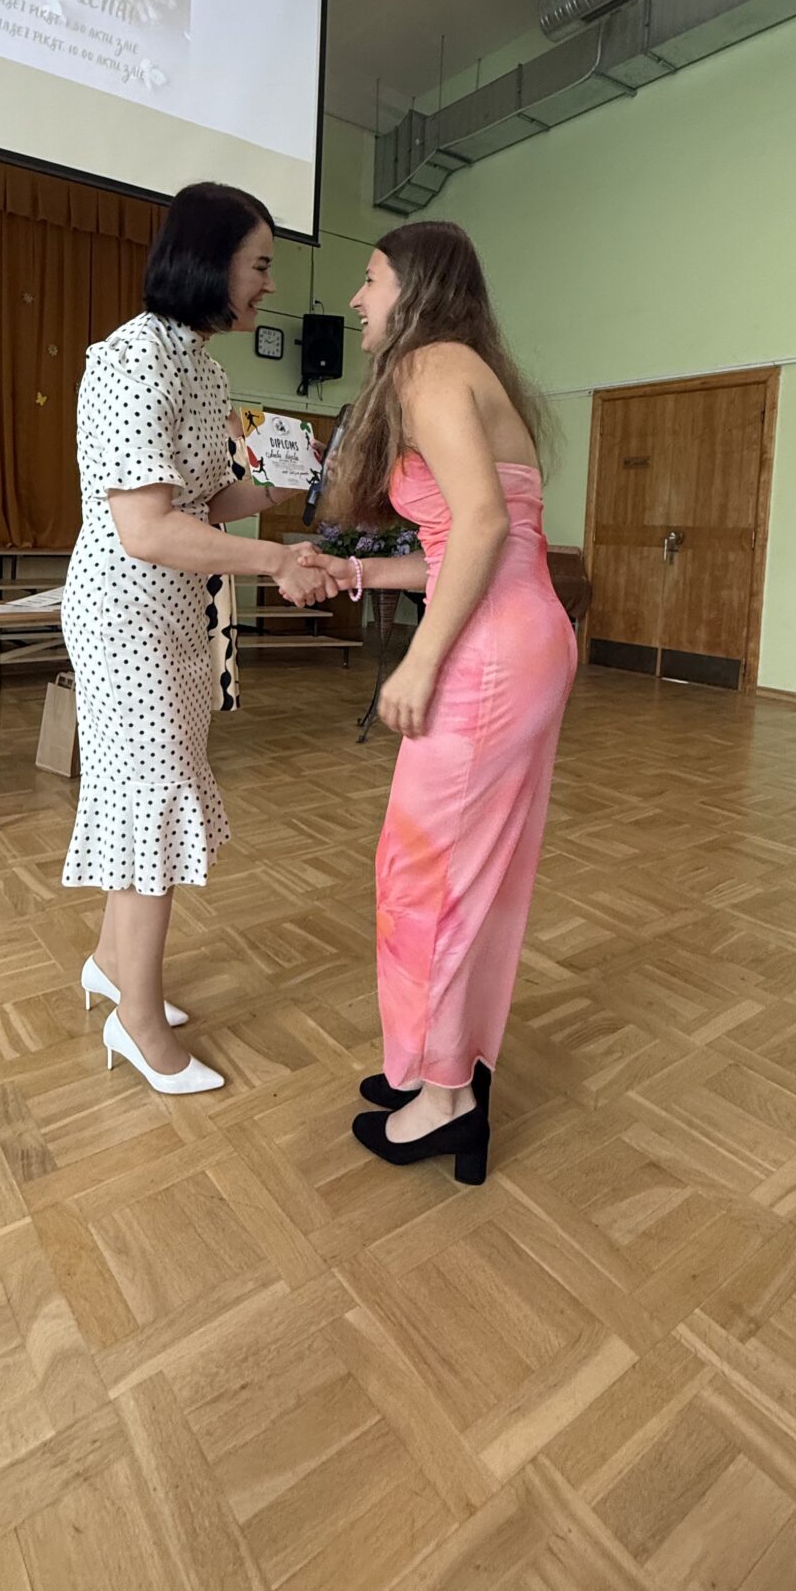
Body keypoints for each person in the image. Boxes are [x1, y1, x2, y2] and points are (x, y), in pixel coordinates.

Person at [301, 220, 576, 1183]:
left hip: (490, 651)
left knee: (428, 873)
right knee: (463, 873)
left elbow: (485, 528)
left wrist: (419, 662)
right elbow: (469, 545)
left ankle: (446, 1097)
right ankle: (435, 1062)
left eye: (370, 278)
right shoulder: (462, 369)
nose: (356, 299)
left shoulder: (427, 367)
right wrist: (357, 576)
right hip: (520, 634)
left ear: (414, 287)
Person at [63, 182, 332, 1095]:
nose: (268, 286)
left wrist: (280, 486)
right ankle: (137, 1020)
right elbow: (145, 528)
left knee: (146, 790)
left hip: (177, 612)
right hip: (125, 613)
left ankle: (112, 964)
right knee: (153, 798)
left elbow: (203, 501)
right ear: (209, 262)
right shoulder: (132, 360)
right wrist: (275, 559)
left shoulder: (205, 369)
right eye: (260, 265)